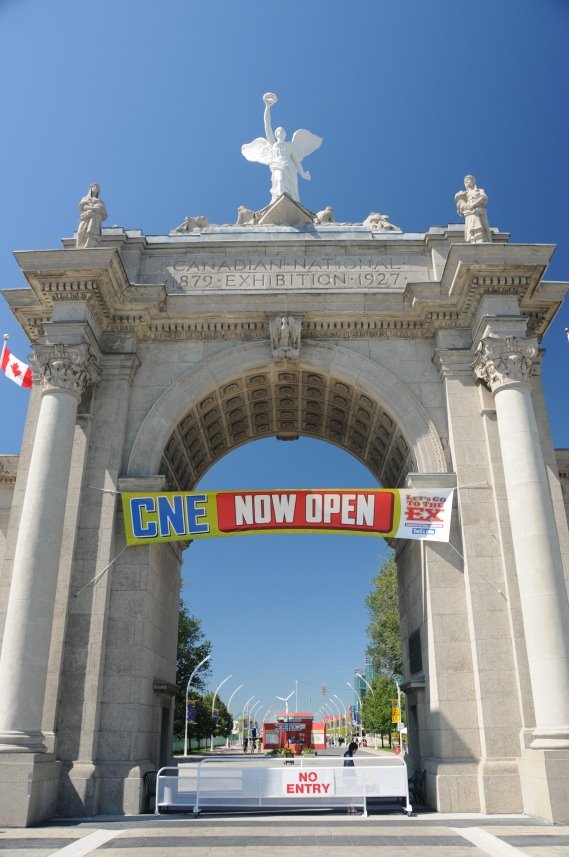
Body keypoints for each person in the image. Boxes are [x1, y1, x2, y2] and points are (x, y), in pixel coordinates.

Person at [241, 93, 322, 204]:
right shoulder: (272, 143)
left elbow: (296, 161)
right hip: (277, 165)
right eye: (278, 130)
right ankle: (278, 200)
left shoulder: (290, 145)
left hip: (290, 167)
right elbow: (267, 124)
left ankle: (294, 202)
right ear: (275, 134)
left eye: (282, 130)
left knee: (292, 185)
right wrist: (267, 107)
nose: (280, 131)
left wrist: (302, 173)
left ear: (285, 134)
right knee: (279, 179)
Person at [454, 175, 491, 243]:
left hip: (478, 210)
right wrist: (465, 205)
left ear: (473, 181)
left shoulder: (479, 190)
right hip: (469, 212)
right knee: (471, 226)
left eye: (468, 179)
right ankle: (473, 239)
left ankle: (481, 240)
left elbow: (484, 198)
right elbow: (460, 205)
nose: (466, 181)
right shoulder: (464, 193)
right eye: (465, 181)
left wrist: (474, 205)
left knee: (481, 226)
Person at [76, 183, 108, 248]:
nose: (96, 188)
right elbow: (83, 206)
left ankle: (89, 245)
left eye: (97, 188)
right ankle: (80, 247)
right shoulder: (85, 198)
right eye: (94, 187)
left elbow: (102, 211)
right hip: (85, 216)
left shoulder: (100, 201)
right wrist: (92, 209)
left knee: (91, 231)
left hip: (95, 217)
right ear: (91, 188)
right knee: (80, 232)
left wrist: (93, 209)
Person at [343, 740, 360, 814]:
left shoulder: (347, 754)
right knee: (351, 792)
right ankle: (351, 807)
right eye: (355, 750)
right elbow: (348, 766)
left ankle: (349, 807)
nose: (355, 752)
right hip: (349, 776)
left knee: (349, 793)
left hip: (347, 776)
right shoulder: (348, 755)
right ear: (353, 749)